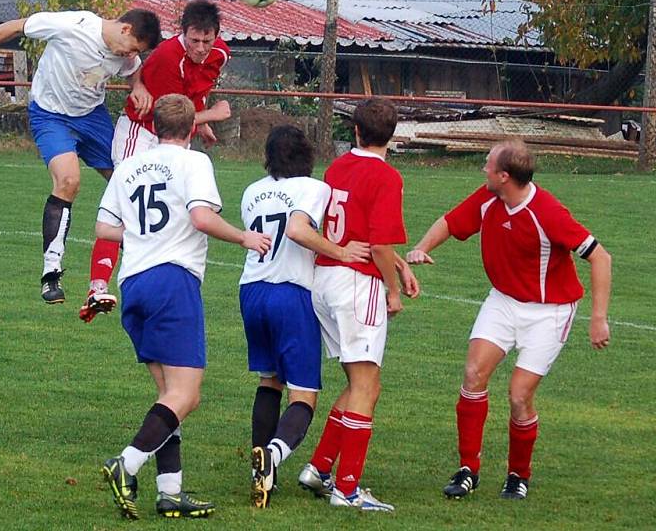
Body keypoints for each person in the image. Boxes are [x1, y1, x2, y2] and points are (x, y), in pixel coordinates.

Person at [405, 139, 612, 500]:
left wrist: (598, 318)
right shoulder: (489, 199)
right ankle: (468, 469)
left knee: (518, 396)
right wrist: (423, 247)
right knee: (473, 375)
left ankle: (519, 475)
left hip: (550, 311)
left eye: (487, 164)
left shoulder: (547, 212)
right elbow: (450, 222)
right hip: (503, 301)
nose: (482, 169)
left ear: (504, 176)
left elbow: (601, 258)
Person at [97, 94, 270, 519]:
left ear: (154, 126)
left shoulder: (128, 167)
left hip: (134, 282)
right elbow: (200, 218)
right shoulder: (194, 163)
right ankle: (127, 462)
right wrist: (245, 237)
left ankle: (169, 491)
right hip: (172, 281)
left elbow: (104, 226)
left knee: (169, 394)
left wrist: (143, 238)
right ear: (192, 128)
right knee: (186, 395)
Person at [0, 8, 162, 304]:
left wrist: (137, 85)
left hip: (91, 117)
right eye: (133, 48)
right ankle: (51, 274)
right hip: (51, 116)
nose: (131, 55)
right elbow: (15, 26)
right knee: (68, 180)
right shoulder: (73, 25)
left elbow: (133, 67)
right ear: (125, 29)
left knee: (128, 183)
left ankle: (145, 263)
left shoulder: (124, 52)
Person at [297, 98, 420, 512]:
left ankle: (319, 468)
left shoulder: (337, 168)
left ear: (354, 132)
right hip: (357, 286)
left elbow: (365, 234)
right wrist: (392, 289)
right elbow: (380, 244)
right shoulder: (386, 177)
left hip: (326, 278)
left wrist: (398, 266)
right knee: (366, 385)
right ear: (394, 134)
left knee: (359, 382)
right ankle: (347, 490)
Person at [239, 125, 371, 508]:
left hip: (251, 290)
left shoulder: (251, 191)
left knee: (269, 380)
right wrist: (341, 251)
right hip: (291, 292)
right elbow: (297, 230)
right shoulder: (313, 188)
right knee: (305, 394)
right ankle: (273, 459)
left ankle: (258, 469)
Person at [80, 0, 232, 322]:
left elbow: (194, 96)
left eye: (208, 40)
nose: (201, 48)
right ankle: (97, 288)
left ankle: (160, 278)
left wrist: (200, 122)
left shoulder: (220, 54)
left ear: (216, 36)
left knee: (170, 210)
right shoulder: (166, 58)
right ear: (183, 33)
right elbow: (171, 115)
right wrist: (212, 116)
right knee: (122, 212)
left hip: (176, 137)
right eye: (194, 40)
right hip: (143, 130)